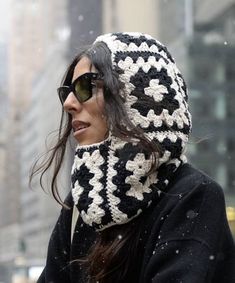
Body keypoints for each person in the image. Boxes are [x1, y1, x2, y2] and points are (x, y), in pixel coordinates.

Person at [33, 32, 235, 283]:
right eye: (67, 92)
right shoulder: (81, 205)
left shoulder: (194, 196)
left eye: (86, 86)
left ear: (135, 96)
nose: (69, 103)